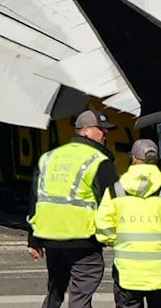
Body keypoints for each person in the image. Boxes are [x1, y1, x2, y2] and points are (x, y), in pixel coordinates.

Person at [29, 109, 121, 308]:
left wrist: (33, 239)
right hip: (83, 238)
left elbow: (36, 198)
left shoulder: (49, 157)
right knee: (81, 293)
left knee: (55, 291)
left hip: (50, 236)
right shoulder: (98, 161)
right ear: (86, 131)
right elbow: (114, 201)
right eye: (101, 130)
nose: (105, 134)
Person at [94, 139, 161, 308]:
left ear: (134, 158)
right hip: (160, 270)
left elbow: (103, 228)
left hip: (127, 271)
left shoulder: (115, 191)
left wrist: (121, 243)